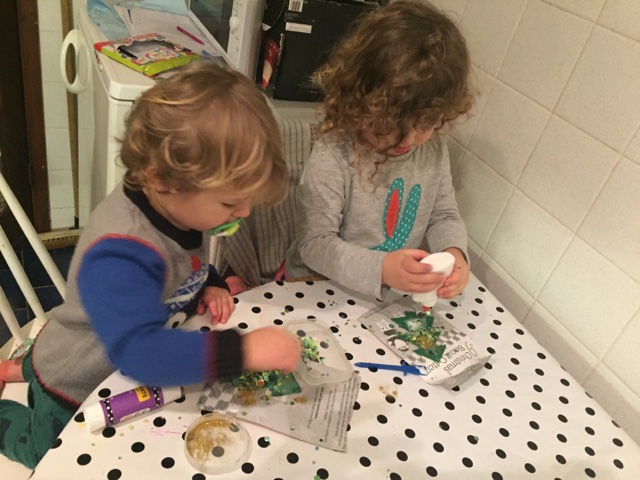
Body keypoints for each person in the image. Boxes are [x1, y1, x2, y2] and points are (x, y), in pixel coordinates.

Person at [0, 61, 301, 469]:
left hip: (110, 340)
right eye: (231, 203)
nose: (245, 212)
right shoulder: (120, 254)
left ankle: (16, 369)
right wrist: (244, 349)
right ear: (162, 180)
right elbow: (141, 356)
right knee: (41, 449)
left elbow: (183, 263)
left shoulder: (179, 206)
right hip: (74, 378)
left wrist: (210, 281)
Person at [285, 0, 474, 301]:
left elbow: (444, 215)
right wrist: (382, 269)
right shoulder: (334, 152)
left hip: (384, 294)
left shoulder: (433, 148)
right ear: (360, 104)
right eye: (389, 127)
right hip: (318, 285)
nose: (409, 140)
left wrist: (454, 254)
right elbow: (314, 243)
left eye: (425, 124)